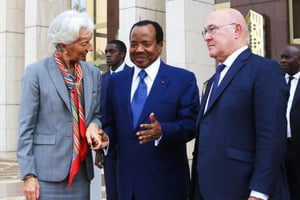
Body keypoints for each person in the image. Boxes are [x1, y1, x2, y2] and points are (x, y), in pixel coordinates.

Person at [190, 8, 290, 200]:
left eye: (212, 30)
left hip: (244, 189)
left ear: (237, 30)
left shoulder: (264, 71)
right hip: (207, 189)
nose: (207, 38)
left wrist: (259, 192)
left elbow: (271, 136)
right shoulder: (213, 80)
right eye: (205, 32)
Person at [101, 20, 200, 200]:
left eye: (146, 44)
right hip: (126, 186)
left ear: (160, 46)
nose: (139, 49)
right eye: (133, 44)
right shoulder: (115, 81)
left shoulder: (182, 79)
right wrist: (105, 138)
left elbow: (191, 124)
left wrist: (163, 131)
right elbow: (111, 124)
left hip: (166, 186)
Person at [17, 10, 107, 200]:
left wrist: (93, 125)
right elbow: (25, 129)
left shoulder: (91, 73)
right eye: (84, 43)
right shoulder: (36, 73)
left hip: (81, 173)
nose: (90, 47)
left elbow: (96, 115)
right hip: (46, 176)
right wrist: (28, 175)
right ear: (65, 45)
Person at [95, 39, 130, 200]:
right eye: (106, 52)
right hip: (109, 147)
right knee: (112, 192)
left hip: (129, 146)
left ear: (122, 54)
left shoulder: (133, 76)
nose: (108, 55)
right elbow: (99, 113)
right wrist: (99, 151)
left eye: (112, 51)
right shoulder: (102, 80)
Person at [280, 45, 300, 200]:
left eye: (287, 57)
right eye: (282, 57)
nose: (283, 61)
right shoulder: (275, 80)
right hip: (279, 146)